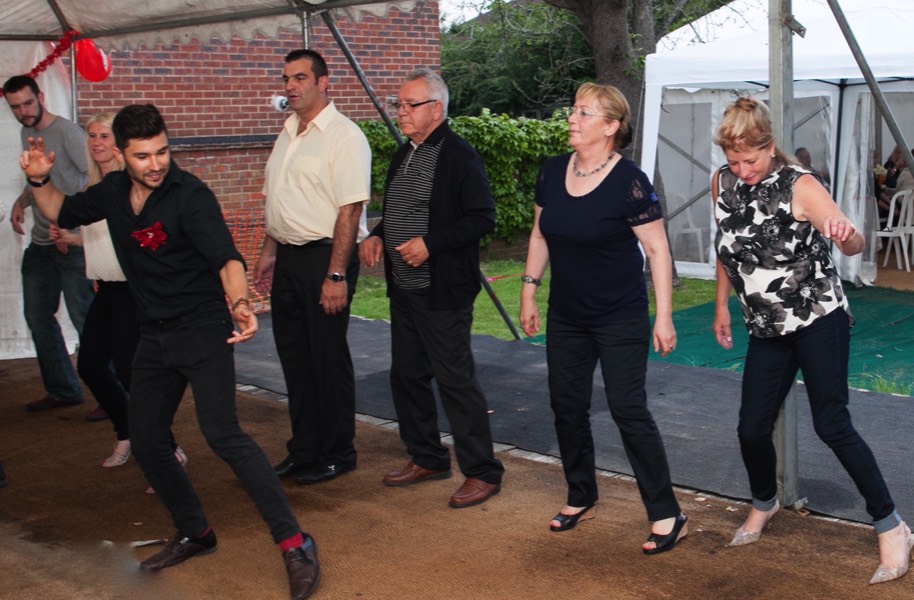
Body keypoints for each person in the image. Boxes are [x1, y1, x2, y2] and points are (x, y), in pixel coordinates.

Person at [21, 104, 320, 599]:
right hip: (153, 335)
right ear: (121, 154)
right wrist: (38, 180)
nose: (156, 163)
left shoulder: (190, 197)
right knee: (148, 439)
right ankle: (196, 532)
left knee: (223, 434)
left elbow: (226, 257)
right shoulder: (113, 192)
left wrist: (241, 303)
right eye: (143, 156)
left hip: (203, 328)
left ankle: (294, 541)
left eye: (162, 151)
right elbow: (58, 209)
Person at [711, 96, 912, 585]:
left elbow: (852, 242)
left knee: (832, 423)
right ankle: (764, 502)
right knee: (751, 428)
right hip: (766, 327)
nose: (743, 169)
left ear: (770, 146)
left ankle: (891, 524)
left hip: (817, 317)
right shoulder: (722, 181)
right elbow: (727, 247)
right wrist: (721, 305)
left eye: (751, 160)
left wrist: (845, 236)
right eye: (734, 160)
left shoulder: (799, 183)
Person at [519, 83, 687, 553]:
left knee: (628, 410)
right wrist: (529, 291)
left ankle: (667, 513)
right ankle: (580, 493)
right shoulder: (553, 172)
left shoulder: (629, 180)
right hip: (566, 315)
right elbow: (539, 235)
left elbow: (656, 248)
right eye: (573, 110)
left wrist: (664, 316)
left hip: (619, 315)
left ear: (611, 127)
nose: (572, 118)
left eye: (583, 112)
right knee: (566, 405)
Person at [359, 68, 504, 508]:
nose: (400, 112)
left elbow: (482, 218)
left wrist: (431, 245)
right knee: (406, 376)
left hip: (442, 290)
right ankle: (428, 457)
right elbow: (403, 210)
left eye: (409, 105)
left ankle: (483, 472)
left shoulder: (460, 156)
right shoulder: (406, 153)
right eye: (398, 104)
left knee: (455, 381)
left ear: (435, 109)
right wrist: (379, 234)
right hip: (404, 289)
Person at [254, 49, 370, 486]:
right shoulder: (288, 131)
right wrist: (269, 250)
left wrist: (336, 276)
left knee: (326, 359)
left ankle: (339, 453)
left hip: (326, 258)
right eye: (286, 78)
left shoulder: (344, 136)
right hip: (288, 256)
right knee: (295, 360)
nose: (291, 86)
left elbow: (350, 210)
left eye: (300, 77)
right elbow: (279, 199)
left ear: (324, 82)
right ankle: (304, 449)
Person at [2, 75, 95, 415]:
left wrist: (70, 224)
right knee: (37, 317)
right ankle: (63, 390)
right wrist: (20, 202)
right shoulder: (28, 132)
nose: (23, 111)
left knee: (85, 318)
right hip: (42, 244)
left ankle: (111, 394)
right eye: (15, 107)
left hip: (71, 243)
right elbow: (40, 179)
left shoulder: (69, 133)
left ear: (40, 96)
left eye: (27, 103)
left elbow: (92, 182)